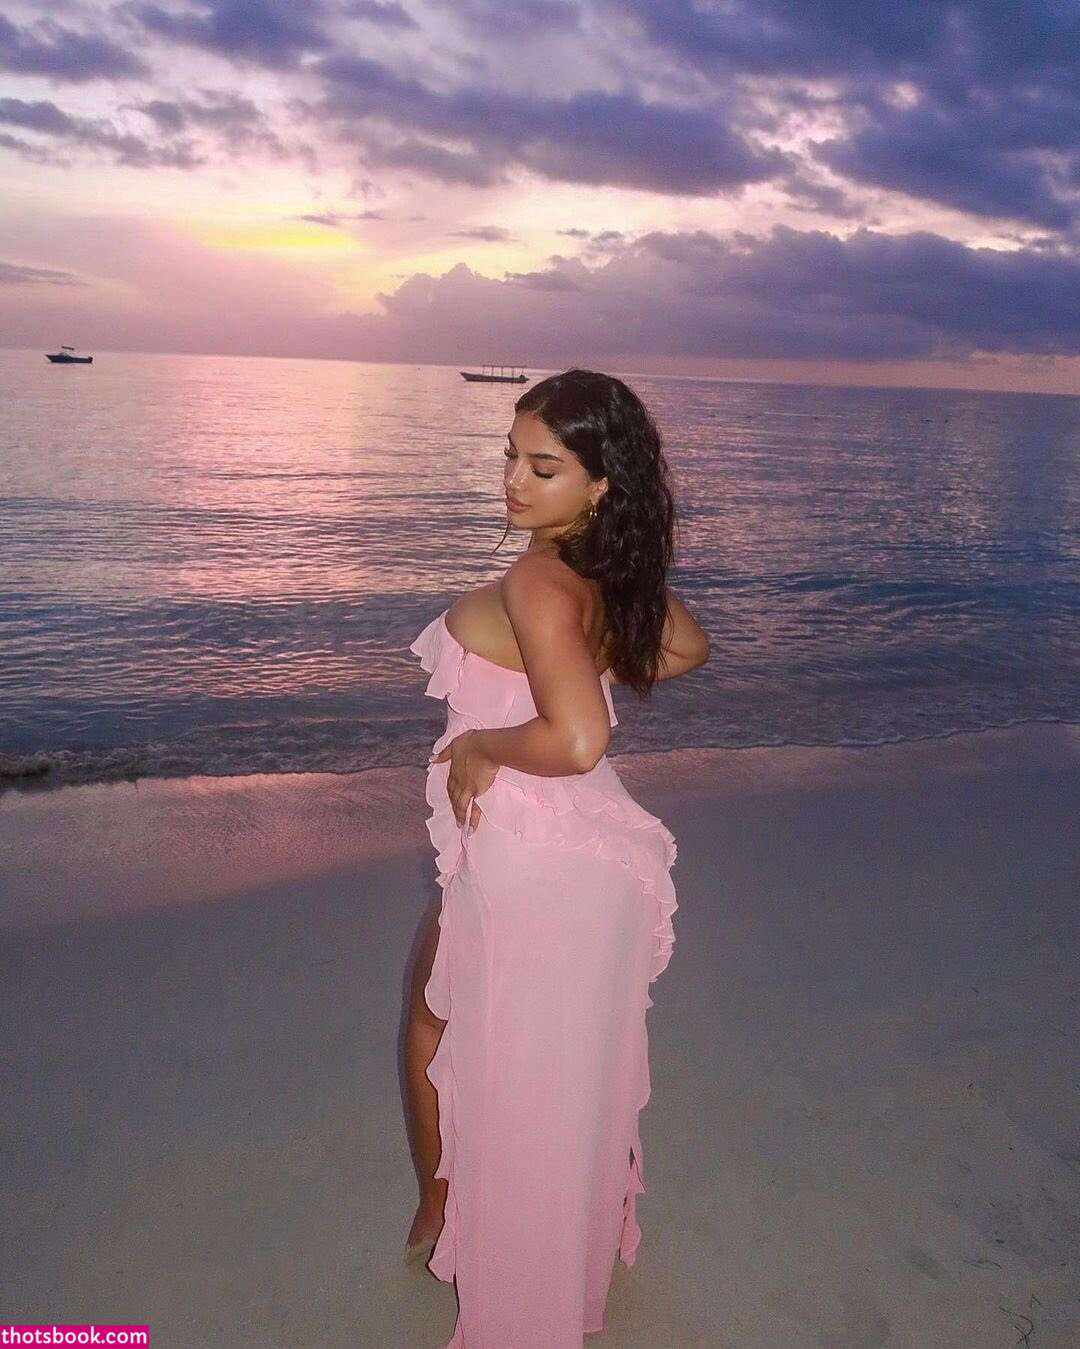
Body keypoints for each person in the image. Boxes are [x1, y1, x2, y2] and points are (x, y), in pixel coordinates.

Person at [403, 368, 710, 1347]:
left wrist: (484, 744)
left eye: (543, 467)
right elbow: (687, 646)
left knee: (436, 1023)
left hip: (528, 847)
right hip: (591, 850)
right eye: (510, 457)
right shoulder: (595, 574)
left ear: (599, 484)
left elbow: (577, 737)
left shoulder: (538, 579)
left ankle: (443, 1208)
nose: (513, 481)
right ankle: (537, 1236)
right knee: (560, 1064)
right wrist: (601, 631)